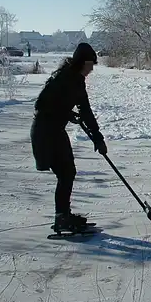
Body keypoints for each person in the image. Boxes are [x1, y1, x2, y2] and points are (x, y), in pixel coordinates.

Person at [30, 42, 108, 232]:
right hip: (45, 132)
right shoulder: (62, 77)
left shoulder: (77, 80)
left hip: (56, 131)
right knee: (65, 173)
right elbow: (41, 104)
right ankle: (62, 218)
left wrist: (97, 137)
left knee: (68, 172)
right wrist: (66, 113)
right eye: (90, 64)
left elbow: (85, 109)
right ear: (81, 62)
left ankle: (63, 215)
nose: (91, 69)